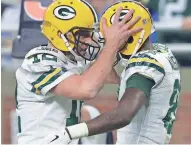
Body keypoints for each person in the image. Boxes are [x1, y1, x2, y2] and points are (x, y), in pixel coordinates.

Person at [15, 0, 142, 144]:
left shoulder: (74, 58)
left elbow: (111, 76)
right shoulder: (38, 61)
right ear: (59, 34)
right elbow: (87, 89)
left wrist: (116, 42)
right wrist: (111, 44)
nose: (89, 40)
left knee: (94, 116)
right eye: (83, 34)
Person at [56, 1, 181, 144]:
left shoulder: (144, 64)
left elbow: (123, 115)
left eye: (114, 36)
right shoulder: (162, 52)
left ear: (129, 36)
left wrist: (70, 132)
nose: (108, 42)